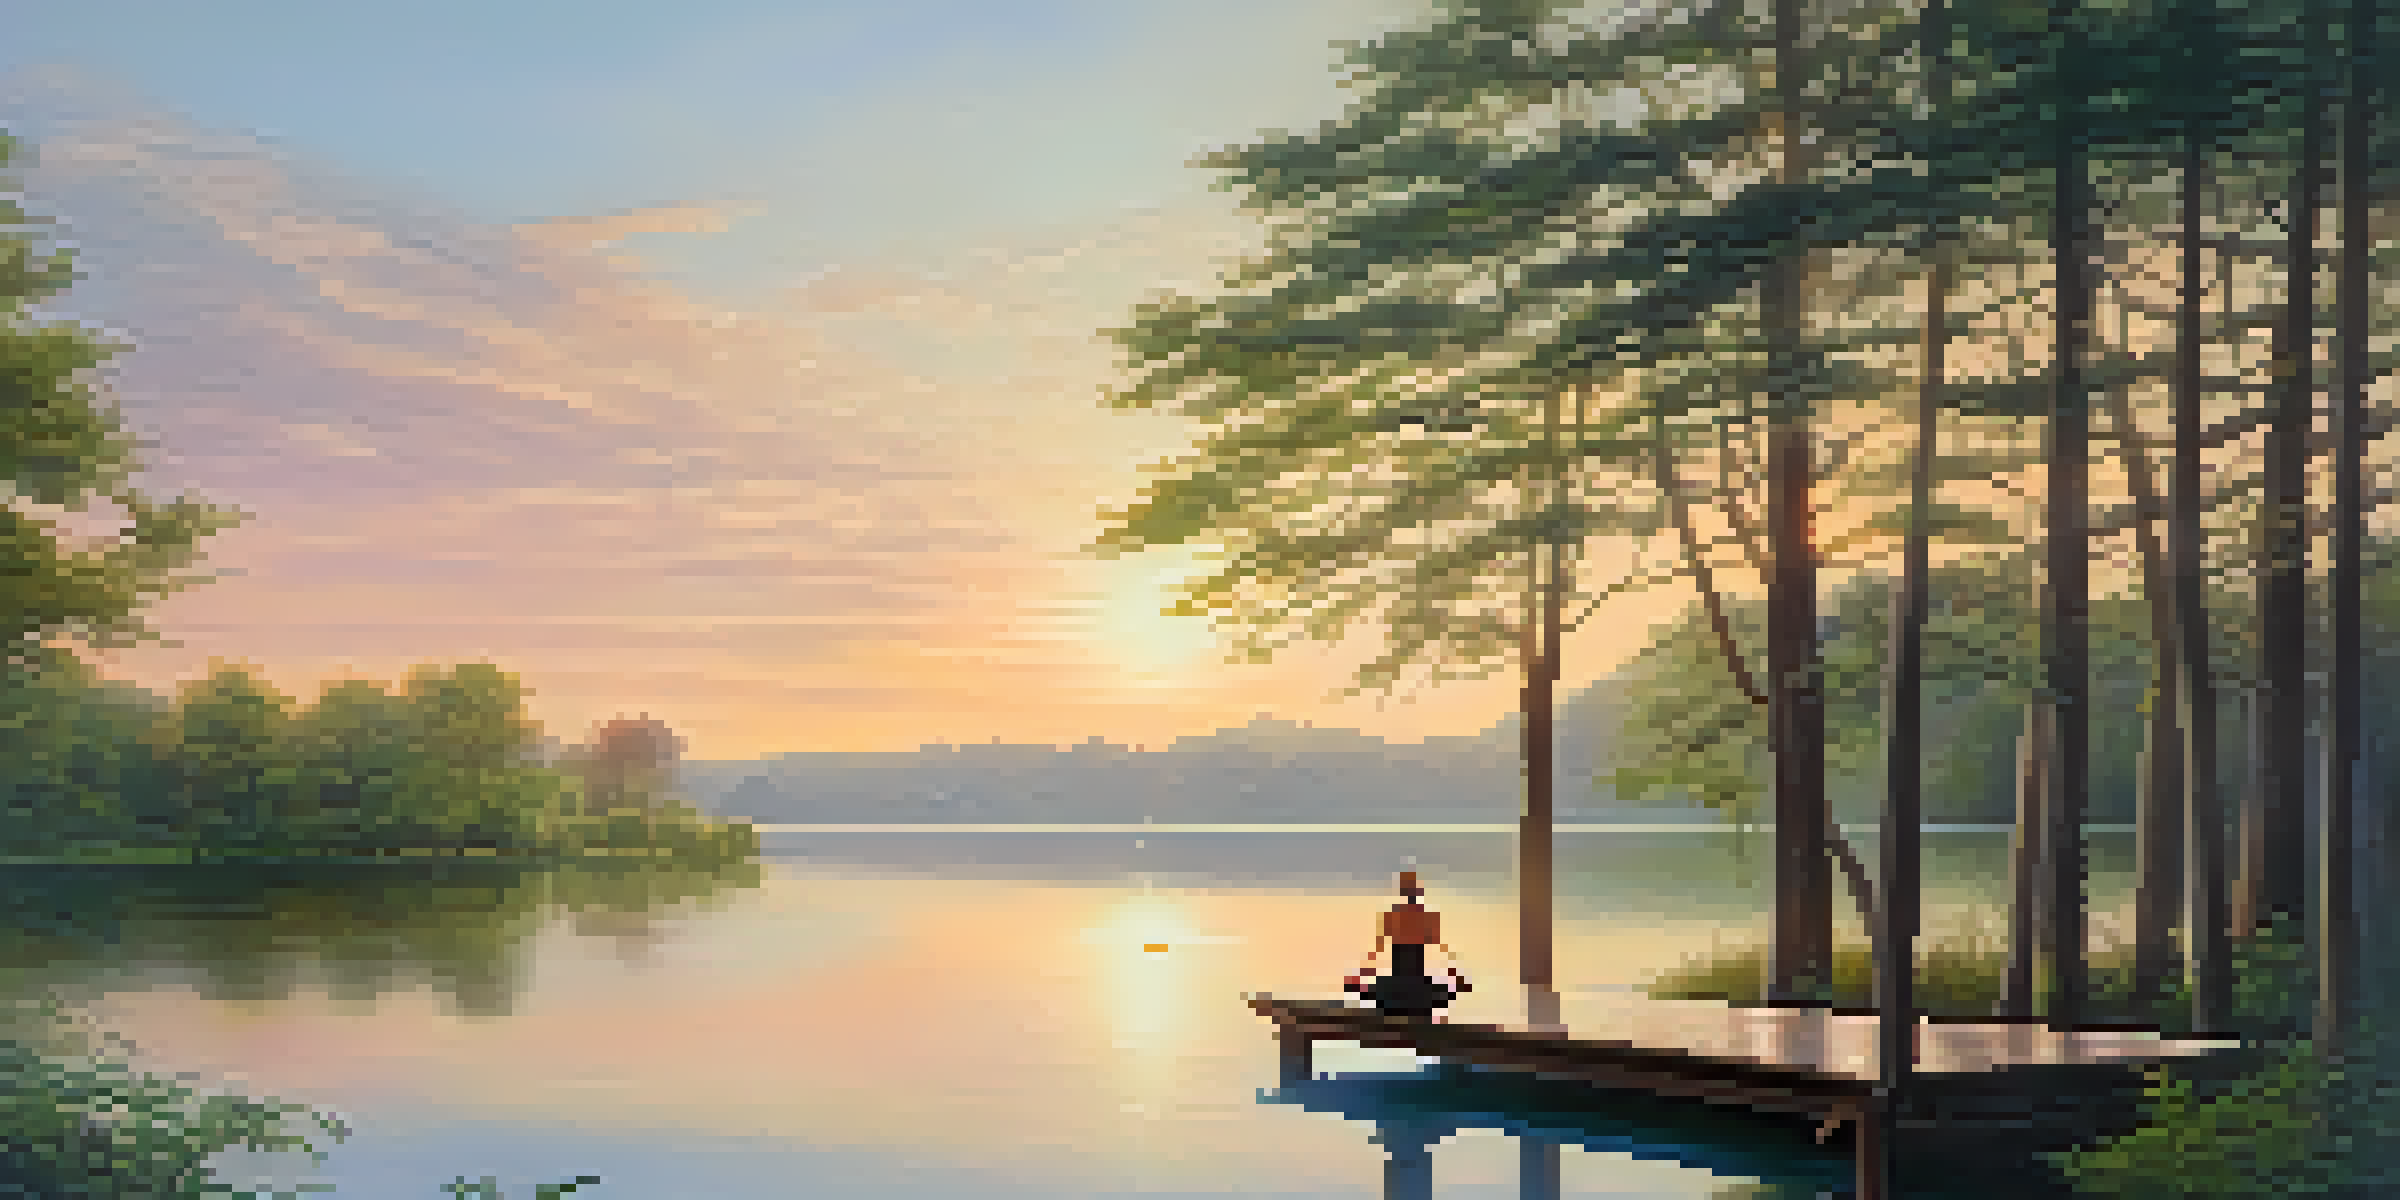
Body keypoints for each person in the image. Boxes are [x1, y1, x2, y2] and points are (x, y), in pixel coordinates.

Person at [1342, 871, 1469, 1018]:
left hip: (1403, 972)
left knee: (1388, 998)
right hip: (1412, 975)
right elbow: (1440, 946)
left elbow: (1379, 947)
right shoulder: (1422, 916)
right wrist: (1456, 974)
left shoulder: (1396, 915)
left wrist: (1359, 976)